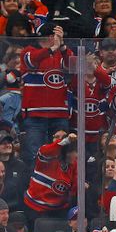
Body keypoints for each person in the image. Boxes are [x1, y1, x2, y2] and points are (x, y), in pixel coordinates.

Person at [19, 23, 72, 164]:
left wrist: (63, 47)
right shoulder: (28, 51)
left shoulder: (62, 53)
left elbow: (72, 67)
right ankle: (36, 185)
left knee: (62, 155)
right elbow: (31, 61)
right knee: (36, 155)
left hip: (59, 114)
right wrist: (53, 48)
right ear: (51, 37)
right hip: (36, 116)